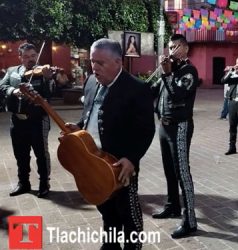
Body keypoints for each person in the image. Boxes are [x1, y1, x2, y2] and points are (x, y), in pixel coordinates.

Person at [64, 38, 155, 249]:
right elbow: (88, 115)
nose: (94, 68)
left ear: (117, 62)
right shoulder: (90, 83)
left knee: (128, 212)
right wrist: (78, 127)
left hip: (120, 165)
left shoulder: (137, 89)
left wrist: (132, 158)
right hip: (93, 159)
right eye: (92, 62)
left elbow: (145, 130)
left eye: (100, 63)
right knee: (106, 209)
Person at [150, 34, 199, 239]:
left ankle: (190, 221)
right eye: (169, 47)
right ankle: (172, 206)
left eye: (175, 47)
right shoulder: (170, 69)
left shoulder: (189, 71)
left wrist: (167, 74)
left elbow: (177, 94)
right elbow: (153, 91)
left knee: (182, 172)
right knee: (169, 170)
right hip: (164, 125)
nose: (171, 51)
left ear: (185, 48)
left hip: (180, 126)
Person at [0, 43, 53, 198]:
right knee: (20, 153)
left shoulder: (43, 72)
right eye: (26, 56)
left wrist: (49, 79)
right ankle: (24, 183)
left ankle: (44, 182)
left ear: (36, 55)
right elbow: (2, 87)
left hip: (38, 120)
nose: (30, 60)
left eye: (33, 56)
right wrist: (13, 90)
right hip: (17, 120)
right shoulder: (12, 72)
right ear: (20, 57)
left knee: (41, 154)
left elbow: (50, 93)